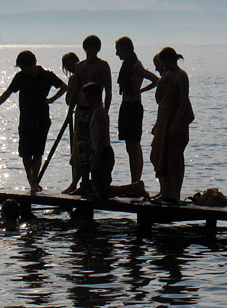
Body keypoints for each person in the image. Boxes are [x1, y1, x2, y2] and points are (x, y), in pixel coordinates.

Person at [0, 50, 67, 193]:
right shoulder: (20, 77)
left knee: (37, 151)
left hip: (41, 118)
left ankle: (34, 182)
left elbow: (64, 87)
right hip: (26, 118)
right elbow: (8, 92)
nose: (22, 70)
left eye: (23, 67)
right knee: (25, 152)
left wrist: (51, 100)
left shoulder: (46, 75)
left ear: (31, 64)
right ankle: (32, 181)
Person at [80, 82, 148, 200]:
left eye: (88, 97)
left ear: (96, 97)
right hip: (100, 153)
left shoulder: (99, 113)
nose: (85, 100)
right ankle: (134, 187)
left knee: (102, 192)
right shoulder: (98, 112)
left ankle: (135, 187)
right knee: (99, 190)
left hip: (102, 153)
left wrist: (96, 160)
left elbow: (101, 138)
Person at [63, 36, 112, 194]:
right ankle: (84, 183)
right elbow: (76, 90)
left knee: (96, 145)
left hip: (96, 110)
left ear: (97, 49)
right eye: (88, 48)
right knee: (82, 148)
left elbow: (109, 91)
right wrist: (70, 112)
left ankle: (94, 182)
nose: (91, 51)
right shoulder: (80, 67)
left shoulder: (103, 66)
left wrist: (105, 111)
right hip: (82, 110)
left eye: (93, 48)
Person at [150, 47, 194, 204]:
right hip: (163, 119)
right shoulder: (166, 76)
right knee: (161, 157)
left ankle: (175, 194)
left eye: (163, 63)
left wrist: (176, 125)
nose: (162, 67)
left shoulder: (181, 76)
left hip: (176, 120)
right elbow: (158, 99)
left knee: (175, 158)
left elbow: (183, 102)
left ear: (169, 61)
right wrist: (161, 81)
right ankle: (166, 193)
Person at [115, 36, 158, 185]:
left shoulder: (135, 66)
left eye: (119, 50)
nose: (117, 53)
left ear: (127, 49)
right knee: (129, 145)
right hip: (126, 106)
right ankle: (133, 180)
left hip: (133, 107)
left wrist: (140, 91)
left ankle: (137, 181)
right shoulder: (127, 65)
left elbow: (155, 80)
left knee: (134, 144)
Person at [61, 52, 81, 193]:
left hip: (85, 113)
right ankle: (76, 182)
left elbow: (71, 99)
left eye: (71, 64)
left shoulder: (79, 77)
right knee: (77, 149)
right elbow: (69, 100)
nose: (70, 68)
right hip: (79, 113)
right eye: (67, 66)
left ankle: (77, 183)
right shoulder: (73, 79)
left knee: (81, 150)